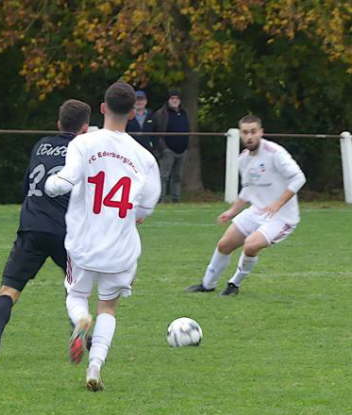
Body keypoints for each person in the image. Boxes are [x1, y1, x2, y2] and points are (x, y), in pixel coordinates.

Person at [45, 81, 161, 391]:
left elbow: (66, 179)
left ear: (102, 108)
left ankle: (81, 321)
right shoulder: (144, 157)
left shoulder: (83, 143)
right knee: (108, 307)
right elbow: (146, 208)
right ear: (132, 110)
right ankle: (95, 366)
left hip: (83, 243)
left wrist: (50, 184)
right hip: (121, 248)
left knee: (76, 295)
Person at [0, 99, 91, 363]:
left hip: (32, 228)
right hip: (66, 233)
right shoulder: (83, 150)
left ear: (59, 123)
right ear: (85, 127)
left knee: (8, 291)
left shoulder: (41, 145)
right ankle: (83, 330)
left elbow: (27, 184)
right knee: (76, 291)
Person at [186, 114, 306, 296]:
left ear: (261, 132)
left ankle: (234, 284)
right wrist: (232, 211)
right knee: (224, 244)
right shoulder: (243, 159)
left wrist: (278, 203)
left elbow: (299, 178)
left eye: (253, 132)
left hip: (282, 217)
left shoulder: (275, 153)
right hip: (257, 211)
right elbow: (248, 190)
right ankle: (207, 285)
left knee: (250, 245)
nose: (249, 136)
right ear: (241, 134)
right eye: (245, 132)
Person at [152, 89, 190, 202]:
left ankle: (176, 199)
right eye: (172, 98)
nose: (175, 101)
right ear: (168, 100)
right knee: (164, 176)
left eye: (177, 99)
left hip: (182, 150)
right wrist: (162, 148)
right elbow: (155, 132)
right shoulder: (161, 113)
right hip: (167, 150)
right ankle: (160, 198)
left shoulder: (184, 113)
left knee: (177, 177)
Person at [126, 90, 155, 156]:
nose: (139, 102)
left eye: (141, 99)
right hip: (131, 151)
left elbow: (157, 133)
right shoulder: (126, 116)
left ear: (146, 101)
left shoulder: (153, 115)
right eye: (136, 99)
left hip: (148, 151)